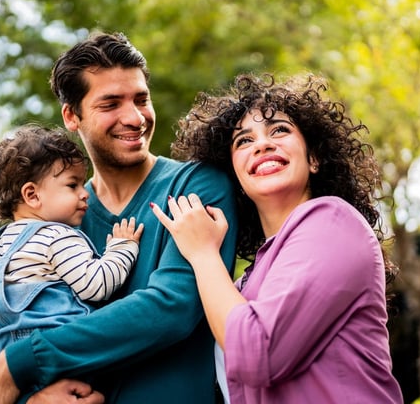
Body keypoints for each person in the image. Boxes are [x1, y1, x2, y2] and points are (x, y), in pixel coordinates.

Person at [0, 32, 239, 404]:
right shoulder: (50, 217)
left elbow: (172, 307)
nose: (133, 117)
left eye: (141, 99)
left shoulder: (196, 185)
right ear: (71, 116)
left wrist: (23, 362)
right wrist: (28, 398)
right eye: (110, 103)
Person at [151, 73, 404, 403]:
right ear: (235, 177)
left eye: (279, 130)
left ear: (313, 159)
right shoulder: (245, 283)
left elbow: (258, 351)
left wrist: (202, 253)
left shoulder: (333, 222)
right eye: (244, 141)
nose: (262, 144)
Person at [0, 124, 143, 373]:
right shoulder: (56, 236)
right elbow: (96, 285)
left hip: (3, 355)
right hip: (54, 350)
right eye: (72, 185)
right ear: (32, 195)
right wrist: (122, 247)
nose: (85, 193)